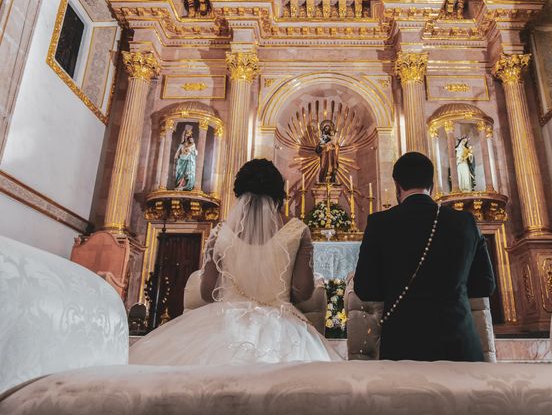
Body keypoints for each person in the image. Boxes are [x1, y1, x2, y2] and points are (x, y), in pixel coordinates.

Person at [130, 159, 340, 365]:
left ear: (239, 194)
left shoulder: (220, 232)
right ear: (279, 194)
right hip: (280, 322)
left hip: (225, 321)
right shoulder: (297, 230)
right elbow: (303, 292)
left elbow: (207, 292)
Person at [354, 152, 495, 361]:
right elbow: (486, 285)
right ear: (432, 184)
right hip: (460, 348)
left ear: (397, 186)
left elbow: (365, 289)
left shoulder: (379, 223)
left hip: (404, 347)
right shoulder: (465, 222)